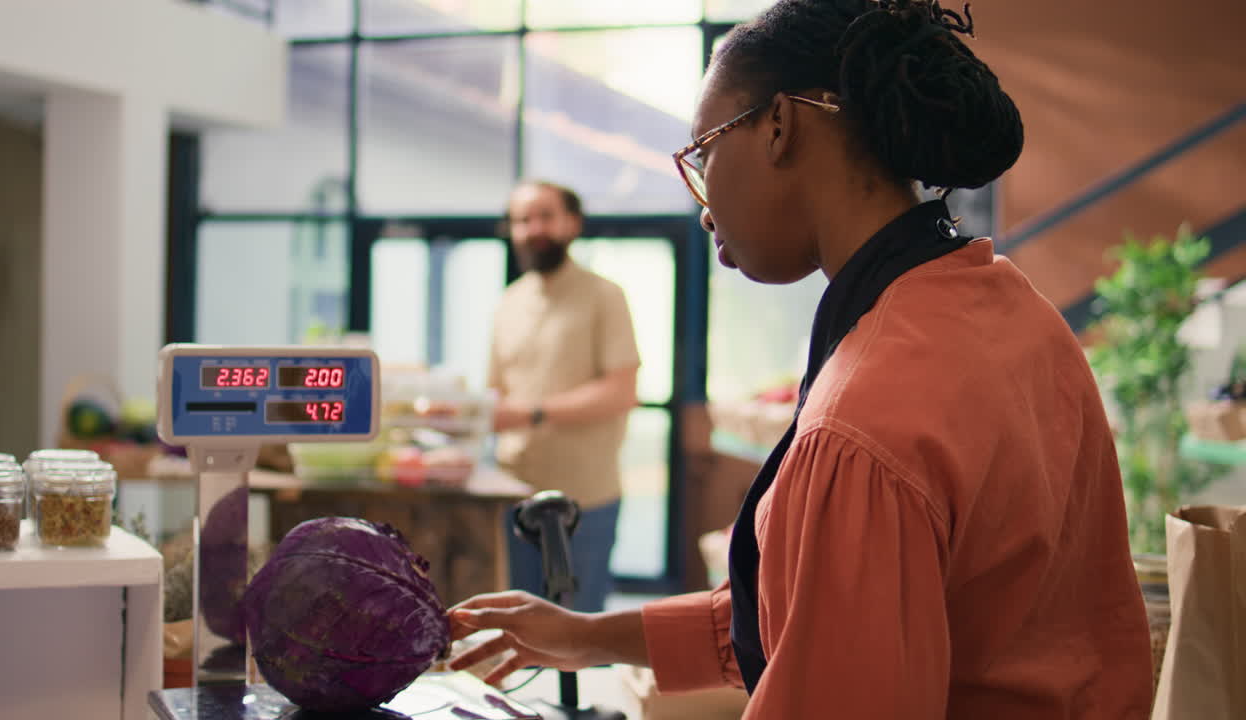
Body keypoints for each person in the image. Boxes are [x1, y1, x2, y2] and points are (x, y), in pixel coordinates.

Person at [449, 1, 1154, 717]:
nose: (703, 205)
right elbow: (827, 613)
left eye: (706, 152)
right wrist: (587, 635)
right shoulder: (1013, 309)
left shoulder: (862, 421)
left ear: (781, 126)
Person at [487, 180, 641, 613]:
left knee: (578, 635)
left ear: (572, 224)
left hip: (584, 500)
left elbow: (621, 392)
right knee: (518, 631)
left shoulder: (605, 296)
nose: (533, 228)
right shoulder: (508, 303)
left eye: (545, 216)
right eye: (522, 219)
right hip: (514, 492)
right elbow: (496, 395)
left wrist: (533, 413)